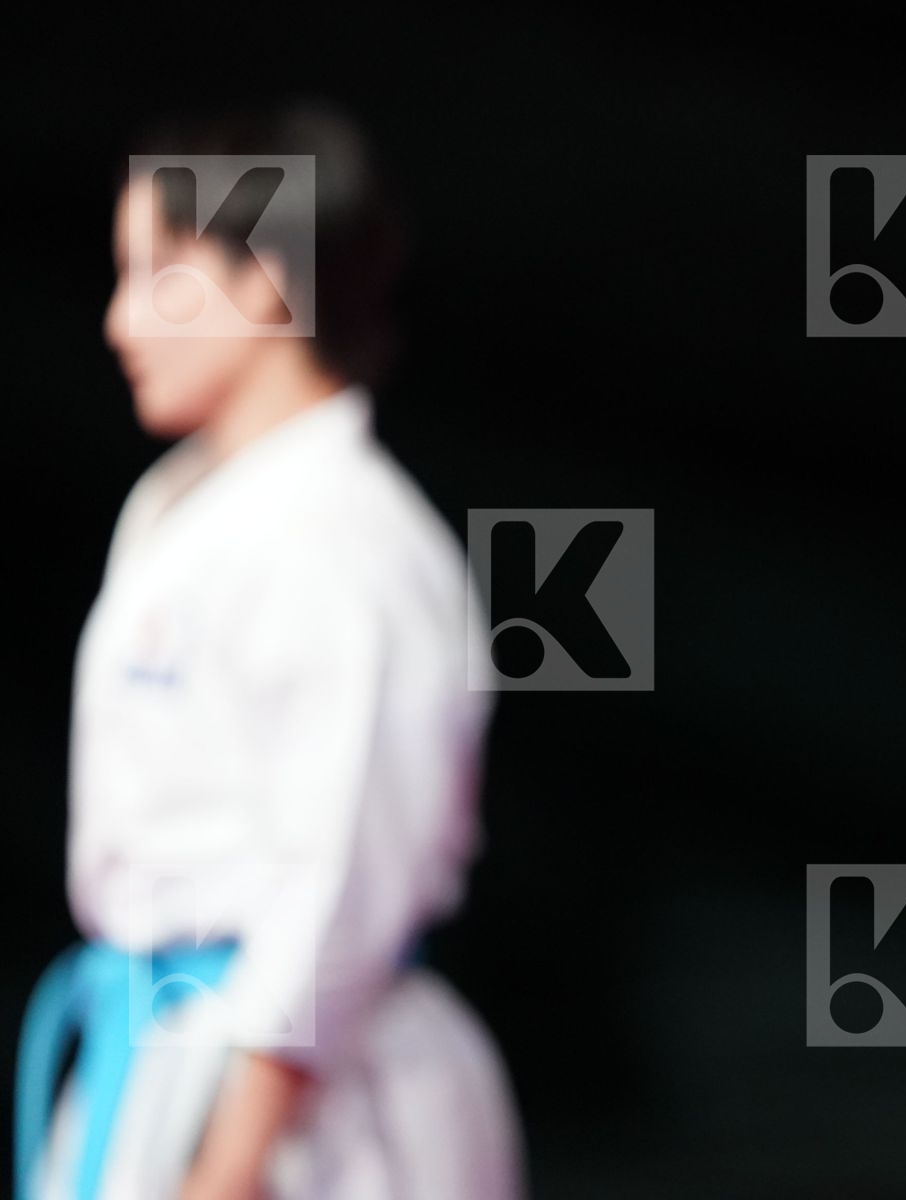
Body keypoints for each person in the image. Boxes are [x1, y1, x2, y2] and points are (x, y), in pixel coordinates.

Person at [13, 101, 526, 1200]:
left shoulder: (350, 542)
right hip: (163, 1050)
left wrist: (230, 1164)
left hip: (310, 1098)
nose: (120, 322)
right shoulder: (186, 508)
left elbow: (338, 881)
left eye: (161, 275)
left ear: (264, 280)